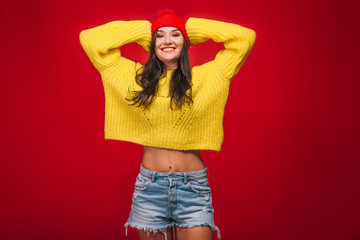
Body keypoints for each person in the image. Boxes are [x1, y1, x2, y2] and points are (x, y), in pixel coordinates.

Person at [79, 9, 256, 240]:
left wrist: (190, 28)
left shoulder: (209, 76)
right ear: (151, 43)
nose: (167, 41)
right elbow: (90, 40)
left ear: (186, 41)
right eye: (160, 36)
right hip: (150, 188)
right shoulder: (134, 78)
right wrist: (145, 30)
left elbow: (244, 38)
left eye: (175, 35)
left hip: (192, 188)